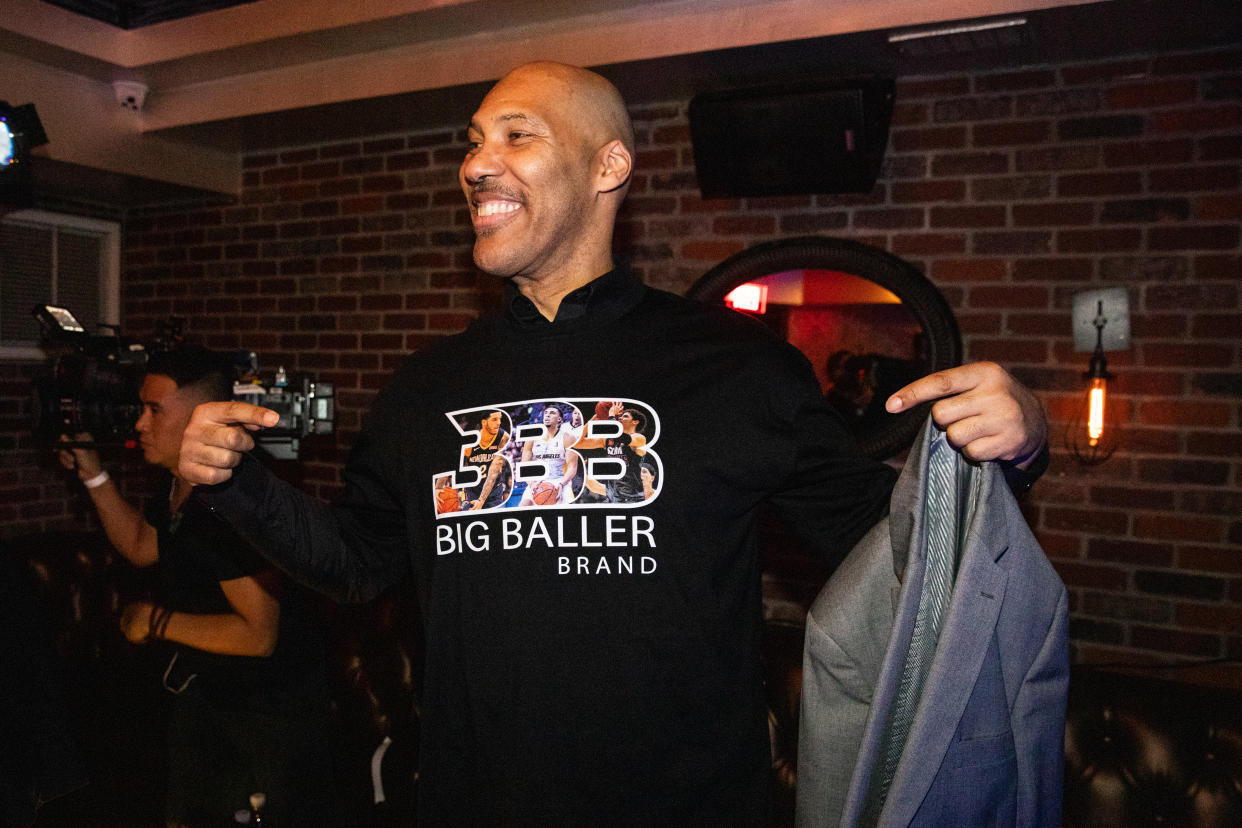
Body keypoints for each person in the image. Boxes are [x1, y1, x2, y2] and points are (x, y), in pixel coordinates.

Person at [177, 62, 1048, 823]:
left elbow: (908, 556)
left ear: (610, 166)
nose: (476, 164)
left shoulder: (737, 369)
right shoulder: (426, 388)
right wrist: (235, 481)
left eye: (516, 135)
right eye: (474, 142)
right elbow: (358, 561)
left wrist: (1018, 446)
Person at [58, 346, 344, 828]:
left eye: (154, 410)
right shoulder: (180, 483)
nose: (139, 425)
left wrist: (156, 622)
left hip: (268, 716)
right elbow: (143, 545)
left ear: (200, 416)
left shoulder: (230, 496)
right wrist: (94, 474)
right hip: (210, 698)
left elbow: (258, 634)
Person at [460, 409, 512, 510]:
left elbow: (493, 473)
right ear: (484, 422)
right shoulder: (471, 440)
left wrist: (481, 500)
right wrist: (438, 487)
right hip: (472, 488)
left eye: (500, 419)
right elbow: (455, 463)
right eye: (494, 419)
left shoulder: (503, 438)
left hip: (494, 488)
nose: (499, 423)